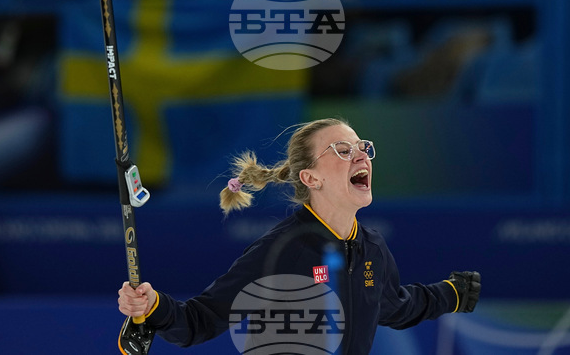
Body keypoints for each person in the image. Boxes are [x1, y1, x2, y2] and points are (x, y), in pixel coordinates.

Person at [117, 118, 481, 353]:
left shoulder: (372, 249)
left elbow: (394, 307)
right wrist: (154, 308)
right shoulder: (282, 250)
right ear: (311, 178)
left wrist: (450, 294)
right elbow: (199, 320)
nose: (361, 157)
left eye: (362, 148)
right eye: (342, 150)